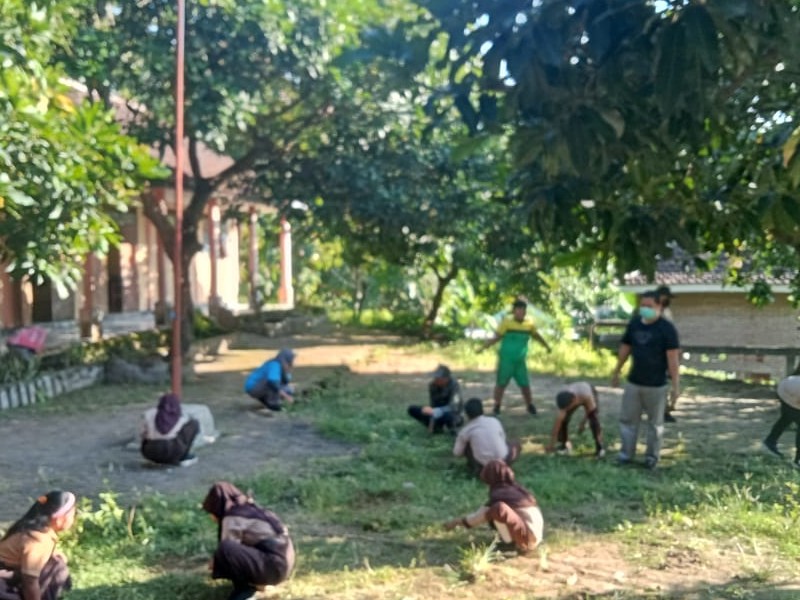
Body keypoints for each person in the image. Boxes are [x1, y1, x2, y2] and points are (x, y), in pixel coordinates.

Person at [611, 290, 680, 470]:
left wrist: (675, 386)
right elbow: (625, 348)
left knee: (655, 425)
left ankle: (651, 458)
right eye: (643, 305)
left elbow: (673, 359)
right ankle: (626, 455)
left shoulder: (667, 329)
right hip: (634, 382)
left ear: (659, 306)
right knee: (628, 421)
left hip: (656, 385)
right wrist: (617, 370)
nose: (645, 309)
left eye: (649, 306)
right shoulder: (634, 324)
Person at [202, 482, 295, 600]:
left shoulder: (232, 518)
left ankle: (247, 590)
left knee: (226, 550)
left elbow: (227, 552)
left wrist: (215, 562)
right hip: (285, 562)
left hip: (274, 566)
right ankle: (262, 582)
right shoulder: (253, 509)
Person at [443, 460, 543, 554]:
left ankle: (513, 543)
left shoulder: (499, 494)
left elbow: (476, 518)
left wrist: (455, 522)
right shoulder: (517, 490)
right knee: (495, 511)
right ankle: (513, 540)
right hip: (535, 534)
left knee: (497, 509)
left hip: (528, 538)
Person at [0, 491, 76, 600]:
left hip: (11, 571)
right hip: (4, 582)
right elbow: (30, 582)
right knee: (57, 567)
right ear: (60, 519)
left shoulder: (32, 527)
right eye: (73, 515)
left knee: (57, 560)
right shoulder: (38, 541)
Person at [482, 299, 552, 416]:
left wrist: (546, 346)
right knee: (501, 383)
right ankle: (497, 406)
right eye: (518, 310)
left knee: (525, 384)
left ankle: (529, 405)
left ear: (525, 311)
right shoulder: (506, 323)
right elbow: (497, 337)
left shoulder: (529, 324)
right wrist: (484, 346)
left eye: (523, 310)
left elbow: (537, 336)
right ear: (514, 311)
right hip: (506, 360)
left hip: (520, 361)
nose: (520, 312)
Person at [453, 398, 521, 477]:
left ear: (467, 414)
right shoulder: (494, 421)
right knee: (515, 444)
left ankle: (477, 468)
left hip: (482, 464)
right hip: (503, 460)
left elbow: (457, 453)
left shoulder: (466, 431)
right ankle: (504, 467)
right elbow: (503, 440)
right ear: (482, 410)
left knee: (466, 445)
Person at [545, 381, 605, 459]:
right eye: (564, 409)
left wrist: (583, 423)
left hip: (587, 390)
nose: (566, 410)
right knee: (563, 421)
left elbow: (591, 413)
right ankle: (565, 445)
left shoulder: (586, 396)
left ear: (574, 400)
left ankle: (600, 448)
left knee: (594, 421)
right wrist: (551, 445)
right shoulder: (564, 400)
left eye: (567, 408)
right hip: (575, 394)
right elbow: (556, 427)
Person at [140, 392, 200, 467]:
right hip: (172, 451)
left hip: (150, 452)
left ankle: (157, 459)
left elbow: (142, 434)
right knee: (194, 423)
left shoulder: (149, 413)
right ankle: (183, 456)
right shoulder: (180, 417)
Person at [407, 365, 463, 434]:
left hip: (451, 413)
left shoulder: (454, 385)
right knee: (413, 409)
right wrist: (430, 412)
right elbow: (433, 404)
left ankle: (452, 429)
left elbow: (454, 406)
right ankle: (436, 427)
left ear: (445, 379)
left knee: (449, 416)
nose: (435, 380)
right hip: (437, 413)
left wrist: (438, 410)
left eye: (438, 378)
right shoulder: (432, 385)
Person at [762, 375, 800, 468]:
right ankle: (798, 459)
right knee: (790, 417)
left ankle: (770, 441)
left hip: (789, 388)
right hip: (788, 390)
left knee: (787, 418)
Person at [656, 285, 679, 423]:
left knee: (664, 382)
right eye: (666, 298)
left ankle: (663, 410)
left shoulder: (667, 312)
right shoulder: (652, 311)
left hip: (666, 351)